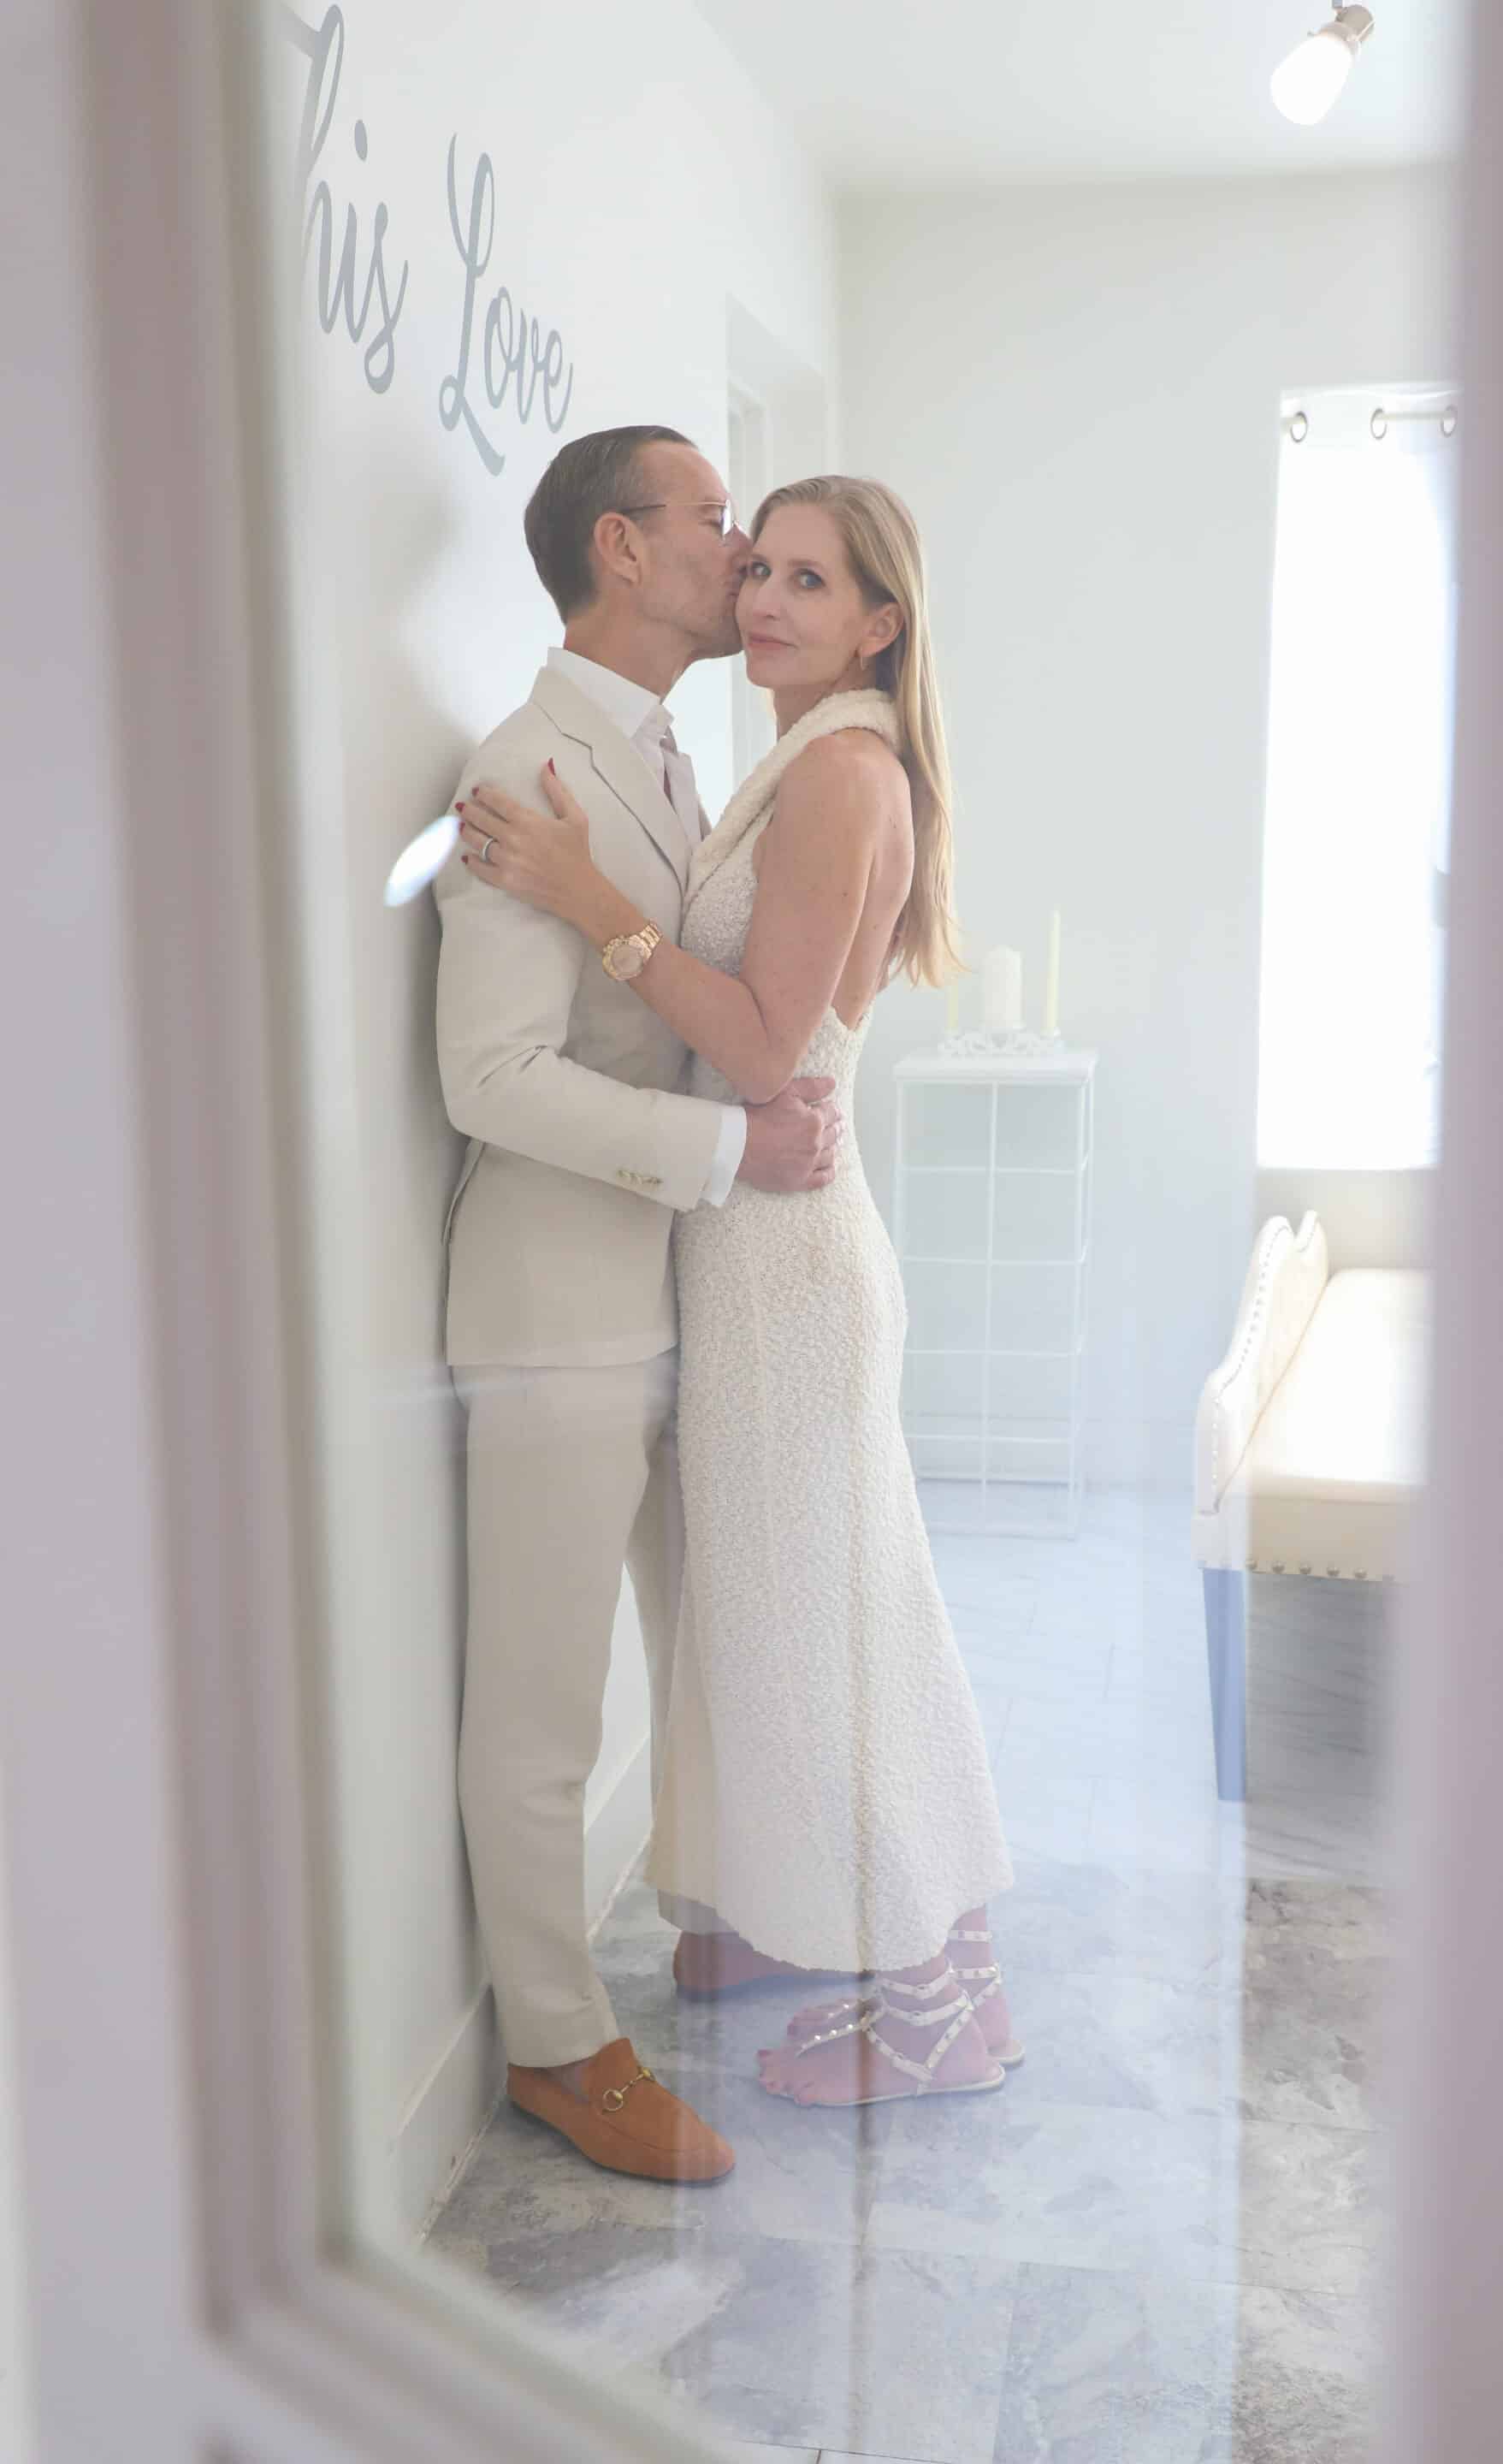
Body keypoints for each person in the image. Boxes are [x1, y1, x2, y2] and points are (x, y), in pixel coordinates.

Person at [456, 474, 1020, 2109]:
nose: (763, 596)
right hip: (758, 1252)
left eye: (809, 582)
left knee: (828, 1646)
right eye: (756, 562)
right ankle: (939, 1971)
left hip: (782, 1266)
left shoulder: (837, 771)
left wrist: (590, 902)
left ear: (881, 624)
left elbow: (766, 1051)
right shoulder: (792, 758)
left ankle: (934, 2001)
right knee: (835, 1626)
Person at [435, 427, 851, 2183]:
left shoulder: (676, 758)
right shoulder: (526, 770)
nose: (740, 547)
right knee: (542, 1710)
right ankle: (559, 2047)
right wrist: (731, 1148)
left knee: (704, 1649)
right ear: (620, 548)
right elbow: (487, 1077)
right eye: (712, 520)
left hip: (682, 1291)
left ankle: (714, 1921)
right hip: (552, 1313)